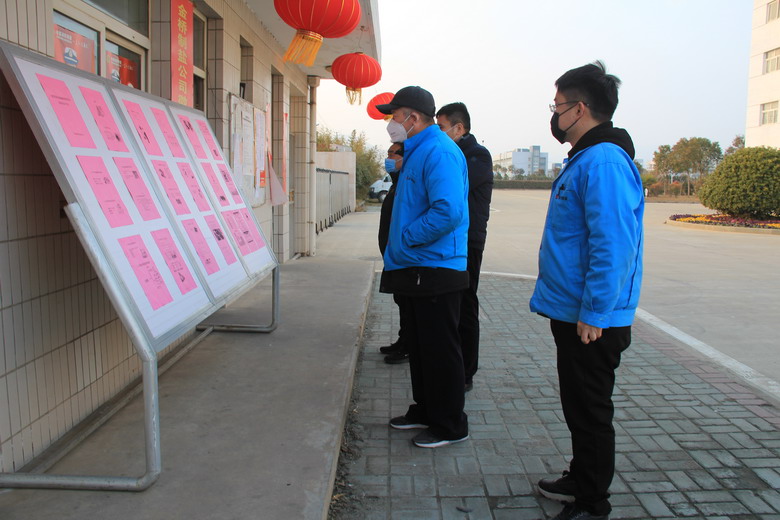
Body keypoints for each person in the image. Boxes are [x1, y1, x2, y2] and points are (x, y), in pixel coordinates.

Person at [530, 61, 644, 520]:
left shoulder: (604, 162)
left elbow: (613, 243)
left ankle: (593, 503)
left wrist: (596, 311)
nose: (554, 115)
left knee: (591, 409)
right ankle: (581, 477)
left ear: (579, 109)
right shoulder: (588, 158)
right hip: (576, 311)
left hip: (592, 318)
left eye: (557, 106)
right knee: (578, 405)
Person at [376, 86, 470, 448]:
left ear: (412, 118)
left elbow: (448, 211)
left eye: (394, 116)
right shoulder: (417, 151)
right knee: (420, 345)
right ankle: (426, 409)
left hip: (435, 267)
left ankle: (450, 424)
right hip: (416, 266)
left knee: (440, 349)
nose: (391, 123)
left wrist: (406, 238)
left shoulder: (439, 151)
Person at [435, 102, 493, 392]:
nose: (438, 133)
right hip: (451, 240)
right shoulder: (452, 152)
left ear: (459, 128)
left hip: (469, 241)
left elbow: (452, 185)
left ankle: (467, 371)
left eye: (441, 128)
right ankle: (451, 364)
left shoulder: (477, 155)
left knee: (466, 304)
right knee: (450, 305)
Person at [377, 142, 410, 364]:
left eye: (393, 153)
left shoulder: (407, 182)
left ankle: (408, 346)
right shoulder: (395, 182)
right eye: (388, 152)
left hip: (403, 253)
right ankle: (402, 340)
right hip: (392, 253)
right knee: (400, 299)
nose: (389, 157)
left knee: (407, 301)